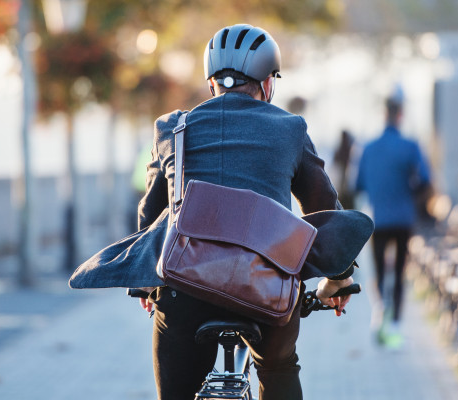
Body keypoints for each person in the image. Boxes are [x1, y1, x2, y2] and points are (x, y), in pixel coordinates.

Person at [136, 24, 356, 400]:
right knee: (278, 366)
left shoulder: (173, 127)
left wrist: (145, 282)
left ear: (211, 85)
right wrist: (338, 281)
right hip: (267, 291)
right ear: (268, 84)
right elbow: (324, 212)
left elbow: (152, 215)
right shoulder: (290, 129)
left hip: (185, 290)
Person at [355, 95, 431, 349]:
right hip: (403, 218)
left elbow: (359, 184)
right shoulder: (410, 146)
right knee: (398, 272)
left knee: (377, 271)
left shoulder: (369, 148)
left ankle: (379, 313)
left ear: (383, 114)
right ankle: (396, 324)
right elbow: (425, 180)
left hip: (378, 219)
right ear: (400, 115)